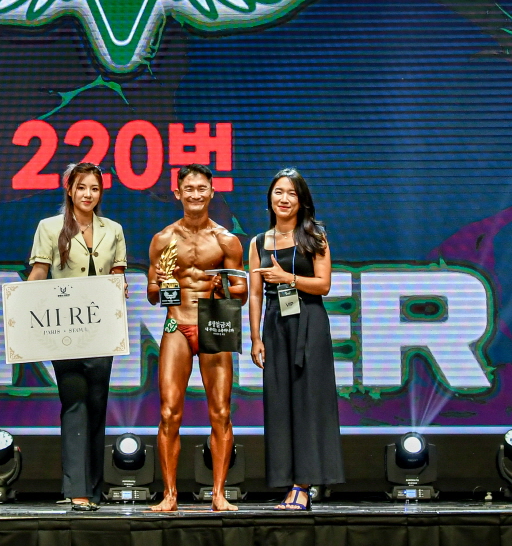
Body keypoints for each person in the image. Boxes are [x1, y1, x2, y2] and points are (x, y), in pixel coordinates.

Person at [27, 162, 128, 510]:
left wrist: (121, 287)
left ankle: (93, 489)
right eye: (81, 187)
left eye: (94, 188)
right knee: (74, 404)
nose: (88, 194)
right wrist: (21, 312)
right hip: (64, 329)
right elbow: (39, 272)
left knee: (97, 407)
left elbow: (118, 274)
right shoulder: (49, 227)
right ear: (69, 189)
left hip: (102, 330)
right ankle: (77, 489)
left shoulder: (113, 230)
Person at [146, 163, 246, 512]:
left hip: (214, 319)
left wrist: (223, 288)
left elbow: (241, 292)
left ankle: (218, 494)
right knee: (169, 412)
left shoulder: (226, 240)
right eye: (189, 188)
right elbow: (153, 295)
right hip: (177, 323)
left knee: (220, 411)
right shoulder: (163, 239)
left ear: (212, 192)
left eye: (202, 188)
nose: (195, 194)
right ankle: (170, 495)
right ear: (178, 193)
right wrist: (162, 283)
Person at [248, 168, 344, 510]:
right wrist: (255, 337)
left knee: (308, 402)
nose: (284, 199)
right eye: (279, 192)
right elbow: (255, 293)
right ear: (270, 199)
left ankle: (304, 485)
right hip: (276, 324)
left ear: (301, 201)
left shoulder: (314, 237)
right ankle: (289, 480)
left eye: (291, 193)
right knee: (280, 403)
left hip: (309, 322)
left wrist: (287, 278)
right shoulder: (258, 242)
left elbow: (323, 285)